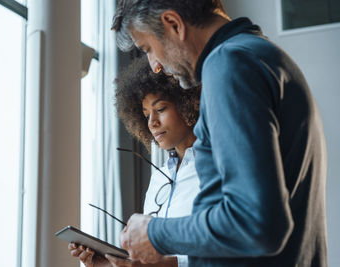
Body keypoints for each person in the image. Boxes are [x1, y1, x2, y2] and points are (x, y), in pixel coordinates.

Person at [111, 1, 328, 267]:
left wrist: (154, 233)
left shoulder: (229, 65)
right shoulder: (261, 55)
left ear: (173, 24)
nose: (154, 65)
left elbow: (254, 223)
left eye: (148, 49)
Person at [68, 56, 202, 267]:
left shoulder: (218, 168)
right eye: (146, 114)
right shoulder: (159, 178)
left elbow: (229, 251)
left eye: (161, 109)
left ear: (189, 103)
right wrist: (109, 263)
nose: (152, 123)